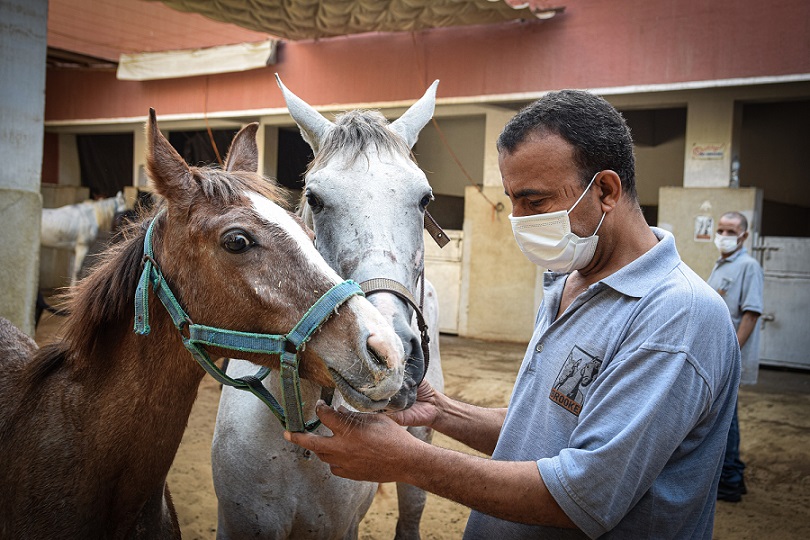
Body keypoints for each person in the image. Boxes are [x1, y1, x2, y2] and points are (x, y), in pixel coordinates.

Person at [285, 90, 741, 538]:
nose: (518, 219)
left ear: (605, 190)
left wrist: (409, 461)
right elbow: (546, 430)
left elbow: (584, 495)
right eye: (512, 201)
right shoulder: (572, 281)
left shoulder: (676, 318)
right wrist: (442, 413)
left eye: (535, 201)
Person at [708, 211, 764, 502]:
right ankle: (731, 474)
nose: (724, 236)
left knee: (726, 417)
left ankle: (730, 478)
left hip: (728, 355)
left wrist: (732, 354)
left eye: (731, 231)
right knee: (723, 415)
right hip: (716, 354)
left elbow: (751, 314)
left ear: (743, 235)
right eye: (721, 230)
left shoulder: (748, 266)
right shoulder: (721, 265)